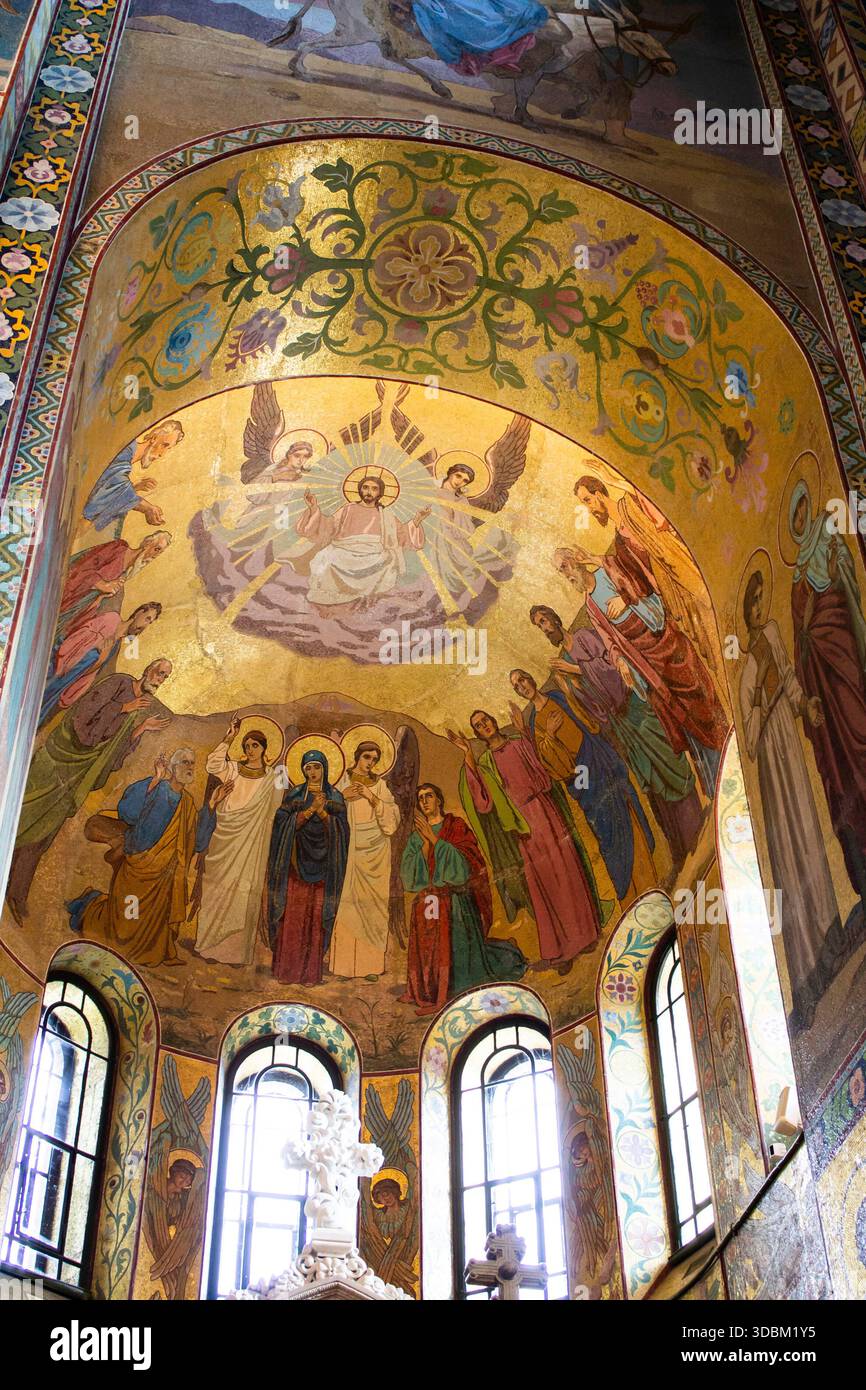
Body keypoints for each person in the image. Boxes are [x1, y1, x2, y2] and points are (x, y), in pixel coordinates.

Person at [572, 476, 728, 797]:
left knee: (701, 695)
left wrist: (626, 598)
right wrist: (622, 660)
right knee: (677, 714)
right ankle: (714, 782)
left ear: (601, 493)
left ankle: (728, 757)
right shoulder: (616, 542)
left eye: (588, 500)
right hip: (647, 657)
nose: (588, 509)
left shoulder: (630, 513)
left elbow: (648, 570)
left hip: (667, 629)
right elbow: (629, 575)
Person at [740, 566, 845, 1030]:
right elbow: (746, 736)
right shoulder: (743, 668)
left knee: (808, 827)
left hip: (788, 731)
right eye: (756, 604)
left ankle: (830, 932)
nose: (762, 609)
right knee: (785, 845)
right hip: (769, 756)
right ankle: (804, 969)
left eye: (764, 600)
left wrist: (805, 704)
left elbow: (790, 676)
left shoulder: (777, 633)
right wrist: (761, 694)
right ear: (747, 615)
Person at [531, 601, 702, 866]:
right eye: (538, 627)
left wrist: (577, 670)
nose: (544, 628)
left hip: (632, 708)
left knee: (666, 759)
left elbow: (612, 667)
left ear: (554, 617)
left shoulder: (584, 637)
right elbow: (588, 706)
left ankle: (695, 827)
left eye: (543, 621)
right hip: (618, 724)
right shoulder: (563, 663)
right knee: (649, 776)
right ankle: (678, 846)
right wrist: (568, 688)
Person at [6, 660, 172, 922]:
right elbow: (83, 714)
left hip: (76, 777)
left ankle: (16, 892)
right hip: (58, 762)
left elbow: (112, 752)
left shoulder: (139, 709)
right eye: (159, 672)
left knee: (45, 832)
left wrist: (140, 728)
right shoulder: (119, 683)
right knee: (22, 813)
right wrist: (124, 708)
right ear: (147, 668)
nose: (160, 678)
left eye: (165, 677)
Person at [449, 711, 606, 970]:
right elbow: (483, 804)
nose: (483, 725)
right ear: (476, 734)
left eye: (485, 720)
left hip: (544, 811)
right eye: (477, 726)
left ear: (494, 720)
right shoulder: (486, 762)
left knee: (566, 871)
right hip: (521, 825)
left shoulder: (518, 743)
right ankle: (562, 950)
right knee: (544, 884)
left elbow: (543, 772)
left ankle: (586, 936)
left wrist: (526, 734)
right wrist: (468, 755)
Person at [509, 668, 655, 904]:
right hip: (582, 774)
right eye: (516, 687)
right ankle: (626, 887)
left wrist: (568, 690)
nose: (522, 686)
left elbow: (588, 721)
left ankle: (647, 872)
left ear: (531, 677)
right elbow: (549, 763)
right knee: (604, 828)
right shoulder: (535, 722)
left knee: (624, 805)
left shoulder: (557, 696)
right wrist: (550, 735)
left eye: (522, 679)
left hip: (598, 756)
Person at [788, 482, 866, 909]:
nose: (801, 521)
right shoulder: (797, 576)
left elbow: (846, 584)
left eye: (803, 511)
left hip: (843, 661)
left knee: (861, 732)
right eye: (795, 518)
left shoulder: (830, 534)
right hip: (818, 681)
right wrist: (805, 698)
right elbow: (798, 638)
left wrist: (838, 569)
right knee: (839, 773)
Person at [66, 746, 205, 967]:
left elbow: (195, 840)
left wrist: (213, 807)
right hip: (138, 862)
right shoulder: (155, 786)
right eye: (185, 762)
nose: (190, 767)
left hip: (167, 873)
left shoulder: (188, 803)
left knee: (158, 916)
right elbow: (127, 812)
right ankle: (89, 907)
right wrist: (154, 781)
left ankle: (158, 950)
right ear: (173, 767)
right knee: (125, 917)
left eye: (192, 763)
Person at [400, 782, 526, 1014]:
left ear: (439, 800)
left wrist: (436, 841)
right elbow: (408, 876)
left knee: (458, 948)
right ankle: (432, 987)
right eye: (420, 798)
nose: (425, 801)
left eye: (429, 796)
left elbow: (466, 866)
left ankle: (457, 983)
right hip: (428, 902)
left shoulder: (456, 826)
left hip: (455, 900)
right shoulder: (416, 835)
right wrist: (426, 847)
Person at [192, 716, 283, 966]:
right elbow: (212, 765)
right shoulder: (232, 768)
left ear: (265, 749)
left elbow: (280, 807)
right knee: (215, 887)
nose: (250, 750)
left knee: (244, 894)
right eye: (247, 745)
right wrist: (229, 737)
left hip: (252, 843)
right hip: (224, 837)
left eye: (255, 745)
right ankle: (208, 945)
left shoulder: (274, 776)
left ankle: (234, 954)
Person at [266, 749, 349, 984]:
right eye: (308, 768)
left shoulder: (336, 796)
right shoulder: (295, 794)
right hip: (295, 865)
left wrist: (323, 812)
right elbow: (281, 824)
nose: (312, 772)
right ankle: (287, 971)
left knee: (315, 918)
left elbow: (342, 832)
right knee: (293, 917)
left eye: (317, 767)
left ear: (325, 768)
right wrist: (310, 810)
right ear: (302, 771)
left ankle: (310, 974)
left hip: (324, 869)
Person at [297, 475, 429, 607]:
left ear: (380, 493)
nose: (369, 492)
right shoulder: (348, 509)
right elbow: (329, 526)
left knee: (386, 559)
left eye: (374, 489)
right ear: (360, 490)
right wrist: (313, 508)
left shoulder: (385, 514)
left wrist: (417, 520)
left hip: (374, 553)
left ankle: (367, 598)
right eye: (365, 487)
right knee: (327, 558)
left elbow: (401, 534)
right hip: (344, 549)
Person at [329, 741, 400, 981]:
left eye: (375, 759)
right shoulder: (342, 781)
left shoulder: (381, 786)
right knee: (348, 905)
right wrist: (341, 797)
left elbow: (391, 822)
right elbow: (327, 808)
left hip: (377, 853)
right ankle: (344, 966)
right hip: (350, 850)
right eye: (367, 757)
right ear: (357, 757)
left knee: (374, 907)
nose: (370, 762)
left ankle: (371, 966)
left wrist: (372, 798)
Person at [39, 601, 162, 727]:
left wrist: (101, 659)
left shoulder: (115, 648)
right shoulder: (112, 619)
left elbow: (90, 672)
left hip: (65, 683)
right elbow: (79, 634)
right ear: (139, 613)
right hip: (55, 670)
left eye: (150, 623)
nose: (145, 626)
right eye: (147, 619)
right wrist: (96, 643)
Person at [82, 420, 184, 534]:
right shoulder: (126, 448)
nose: (162, 454)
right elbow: (114, 482)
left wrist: (135, 488)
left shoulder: (127, 460)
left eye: (168, 449)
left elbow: (109, 491)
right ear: (154, 438)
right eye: (164, 445)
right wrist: (146, 507)